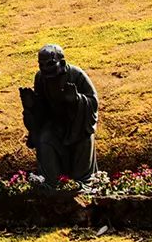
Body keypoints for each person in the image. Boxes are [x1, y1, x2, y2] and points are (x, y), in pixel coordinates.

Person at [19, 44, 99, 186]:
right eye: (41, 65)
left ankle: (82, 183)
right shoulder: (40, 78)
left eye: (50, 64)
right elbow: (42, 110)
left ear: (61, 63)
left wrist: (76, 100)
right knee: (44, 139)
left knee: (83, 140)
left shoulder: (77, 75)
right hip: (55, 125)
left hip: (77, 124)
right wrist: (32, 106)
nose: (45, 69)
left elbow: (93, 102)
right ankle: (53, 183)